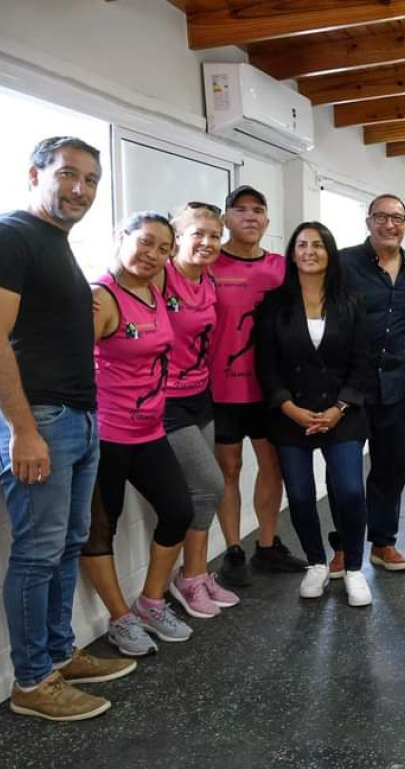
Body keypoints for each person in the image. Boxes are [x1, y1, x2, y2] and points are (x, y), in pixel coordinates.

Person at [0, 136, 133, 721]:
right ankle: (33, 683)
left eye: (91, 180)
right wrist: (23, 430)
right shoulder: (6, 237)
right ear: (35, 173)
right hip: (39, 420)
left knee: (66, 544)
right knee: (38, 554)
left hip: (77, 418)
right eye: (68, 175)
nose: (80, 189)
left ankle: (59, 655)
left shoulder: (55, 243)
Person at [81, 210, 197, 655]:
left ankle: (150, 601)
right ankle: (119, 618)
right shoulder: (100, 297)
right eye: (145, 242)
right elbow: (74, 365)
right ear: (121, 237)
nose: (153, 254)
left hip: (149, 430)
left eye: (164, 248)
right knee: (99, 528)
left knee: (178, 510)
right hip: (105, 434)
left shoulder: (154, 290)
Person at [256, 223, 372, 605]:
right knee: (302, 495)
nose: (310, 251)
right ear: (292, 253)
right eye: (302, 244)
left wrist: (338, 409)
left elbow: (362, 362)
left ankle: (353, 568)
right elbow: (267, 365)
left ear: (330, 253)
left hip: (343, 413)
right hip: (291, 415)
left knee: (351, 491)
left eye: (318, 245)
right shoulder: (274, 303)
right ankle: (316, 563)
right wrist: (289, 407)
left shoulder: (350, 301)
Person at [211, 186, 305, 584]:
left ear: (267, 221)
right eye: (240, 210)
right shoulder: (208, 263)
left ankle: (267, 545)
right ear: (226, 219)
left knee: (272, 467)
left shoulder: (280, 268)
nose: (250, 217)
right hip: (220, 390)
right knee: (227, 470)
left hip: (269, 390)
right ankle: (234, 550)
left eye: (258, 211)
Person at [339, 194, 405, 574]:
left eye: (397, 218)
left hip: (394, 382)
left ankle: (383, 543)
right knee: (346, 473)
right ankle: (343, 546)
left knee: (393, 466)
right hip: (351, 386)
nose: (390, 225)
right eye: (382, 217)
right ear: (368, 221)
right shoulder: (343, 263)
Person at [161, 204, 237, 620]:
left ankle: (196, 573)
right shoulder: (159, 276)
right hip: (164, 400)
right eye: (197, 234)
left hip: (200, 394)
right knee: (209, 485)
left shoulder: (208, 280)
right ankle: (187, 580)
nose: (207, 243)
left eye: (214, 235)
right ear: (177, 237)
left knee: (204, 492)